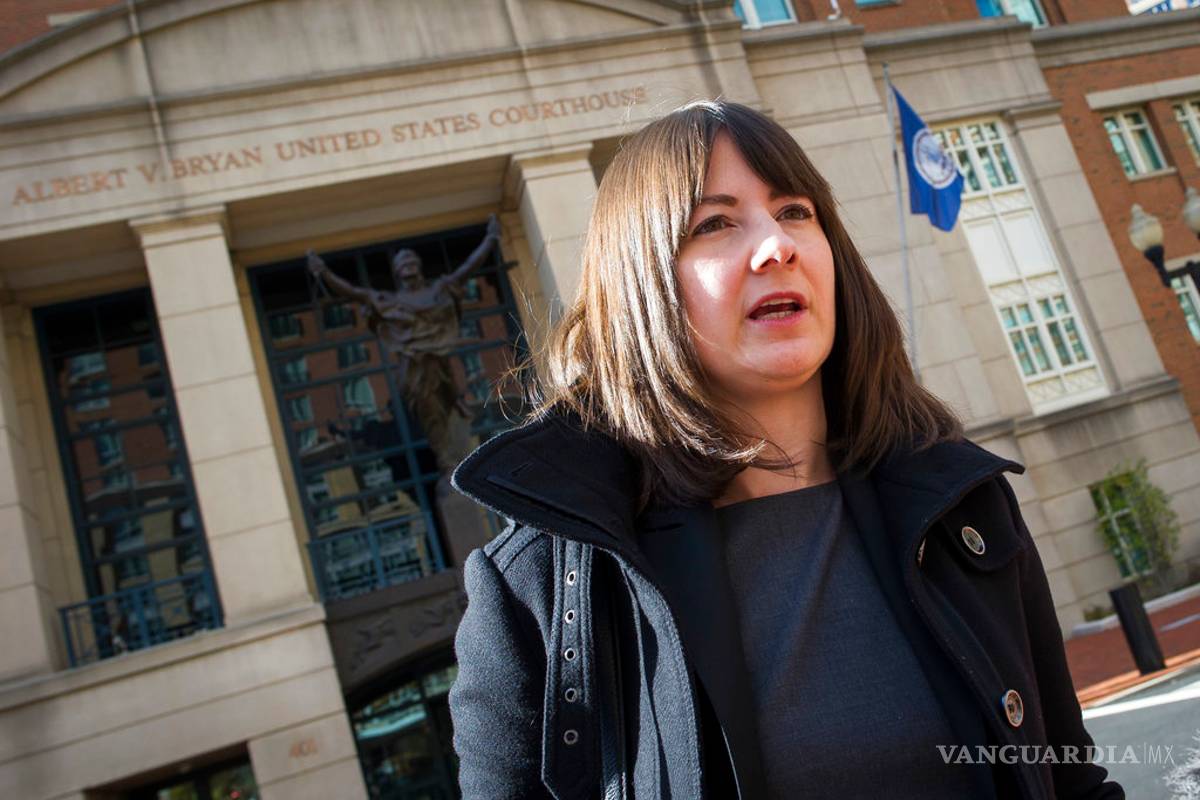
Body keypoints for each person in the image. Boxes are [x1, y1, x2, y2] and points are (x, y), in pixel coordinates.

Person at [447, 101, 1124, 799]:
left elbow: (1070, 782)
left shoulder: (960, 503)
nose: (778, 246)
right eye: (714, 224)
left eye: (795, 211)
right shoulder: (537, 584)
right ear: (640, 284)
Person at [306, 215, 501, 474]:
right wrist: (324, 272)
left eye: (411, 261)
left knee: (452, 408)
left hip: (440, 363)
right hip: (415, 370)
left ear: (418, 266)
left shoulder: (439, 290)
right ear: (397, 271)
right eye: (402, 263)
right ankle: (446, 461)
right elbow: (353, 292)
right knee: (431, 413)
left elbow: (467, 269)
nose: (407, 265)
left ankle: (458, 451)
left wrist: (490, 239)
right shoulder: (390, 301)